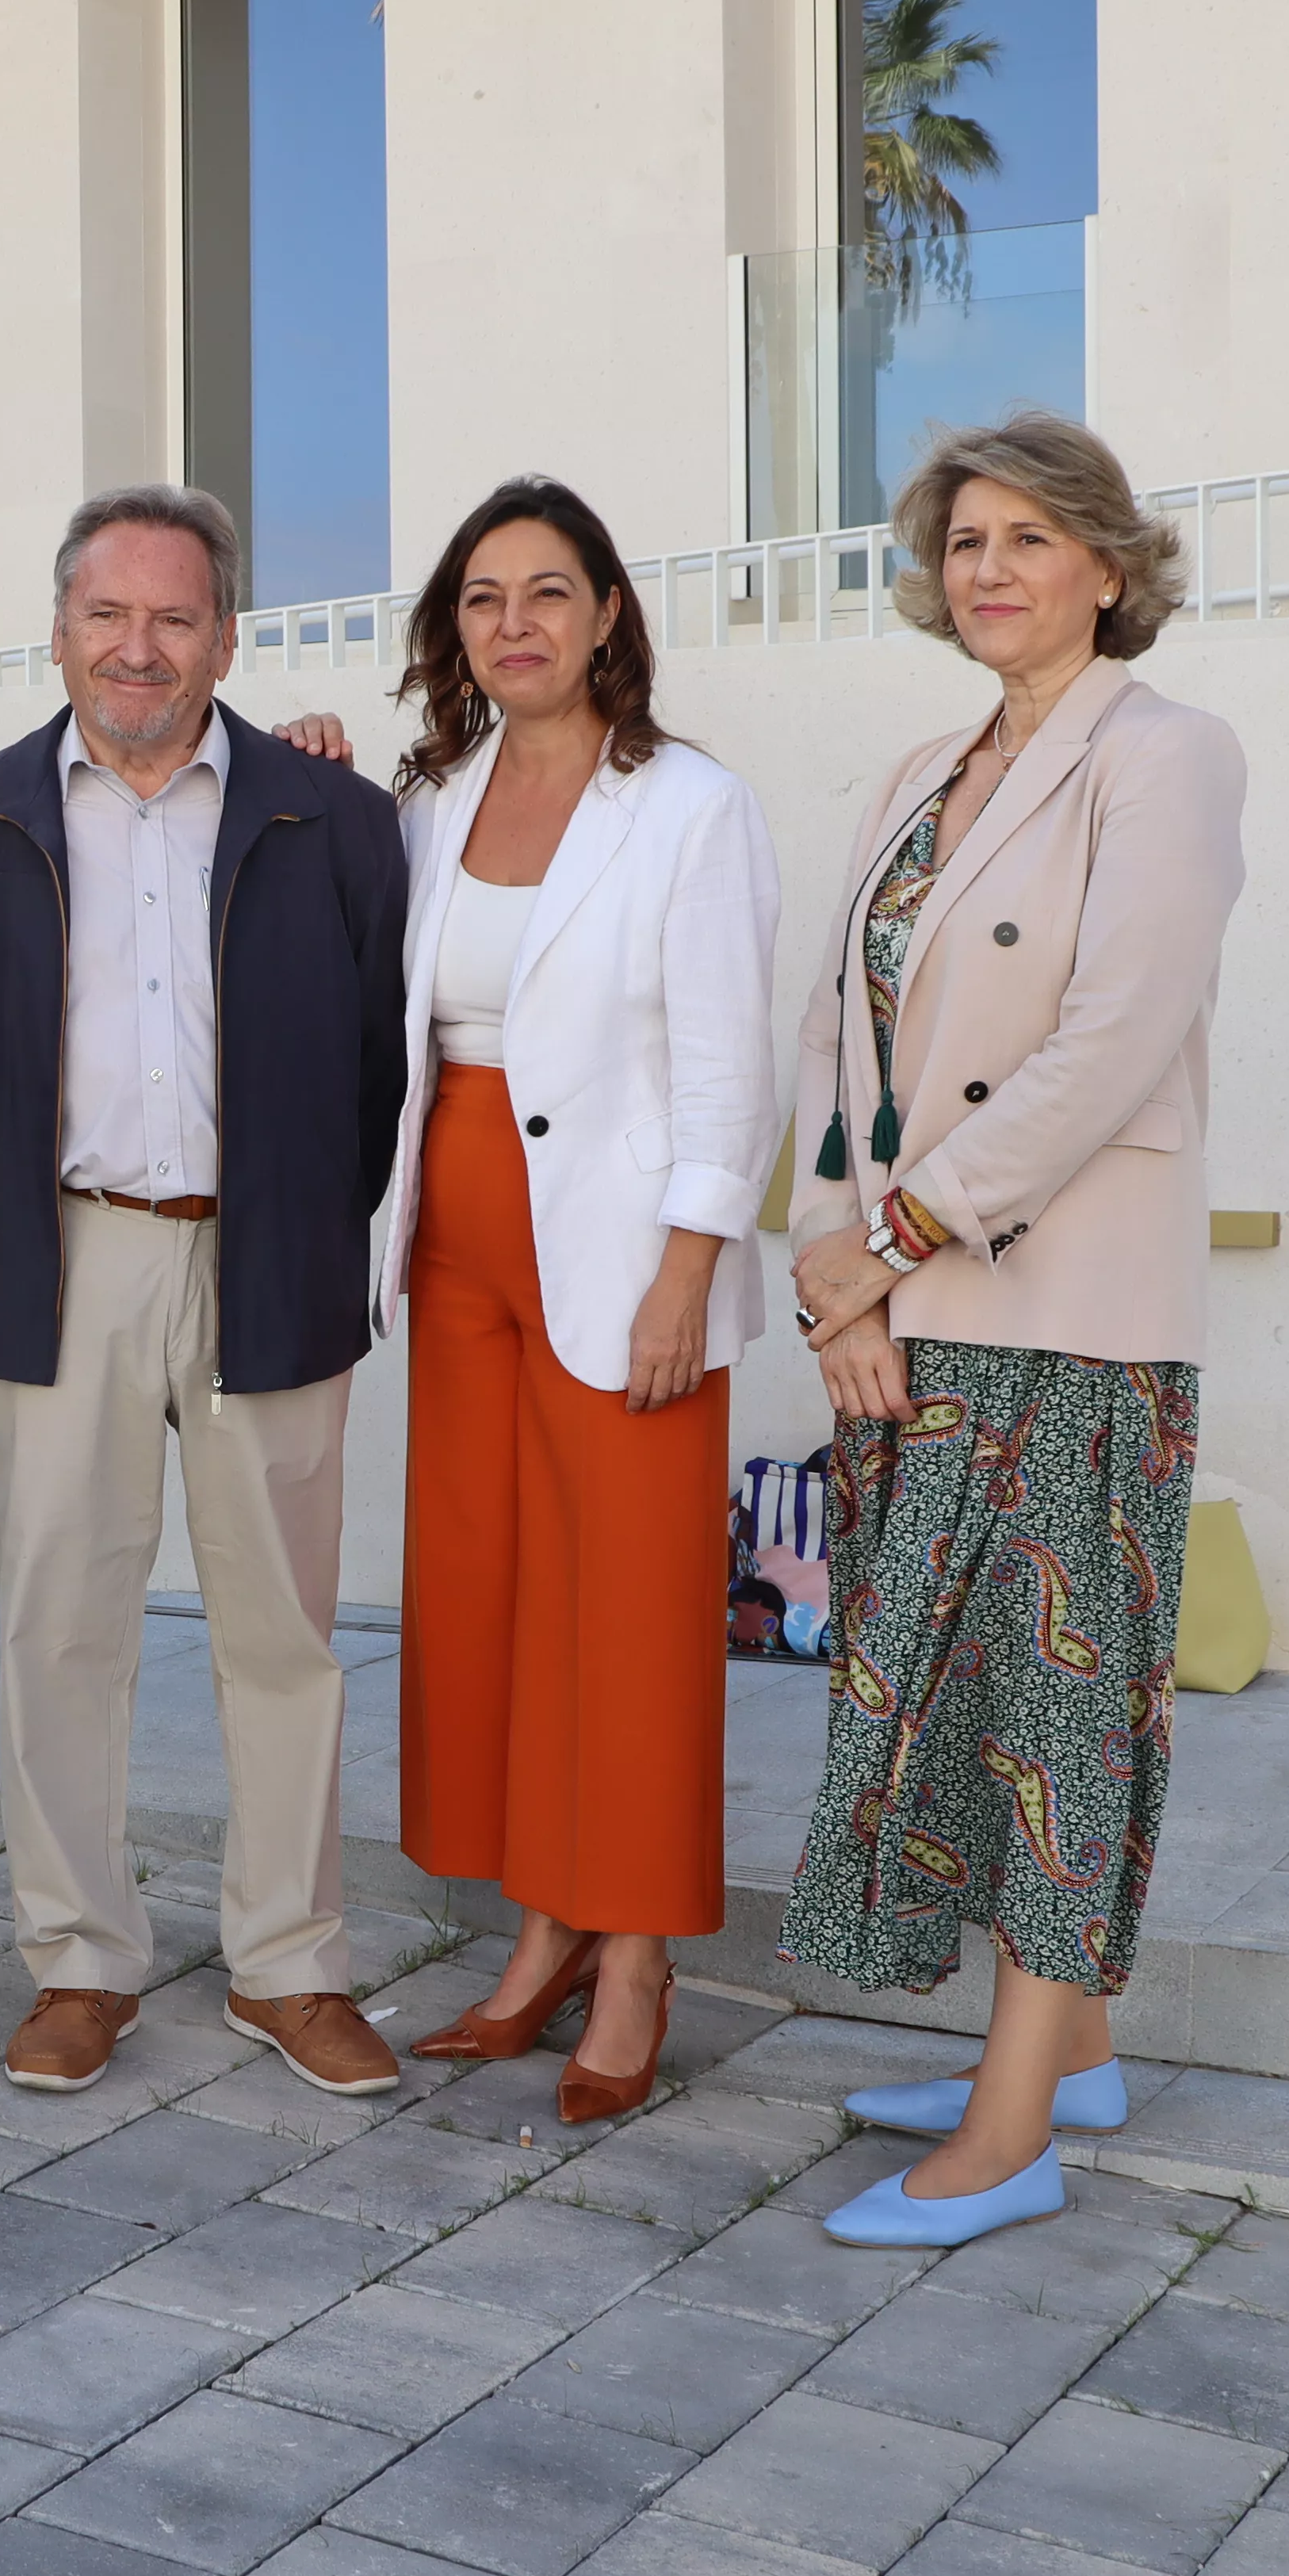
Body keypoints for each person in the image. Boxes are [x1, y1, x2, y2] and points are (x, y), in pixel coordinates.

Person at [779, 408, 1243, 2247]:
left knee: (1058, 1712)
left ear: (1108, 570)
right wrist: (840, 1267)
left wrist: (891, 1238)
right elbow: (838, 1040)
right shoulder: (921, 764)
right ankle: (1079, 2052)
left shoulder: (1169, 756)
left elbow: (1114, 1032)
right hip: (919, 1295)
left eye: (1028, 540)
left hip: (1070, 1307)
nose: (987, 569)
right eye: (964, 540)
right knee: (955, 1691)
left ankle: (1010, 2128)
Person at [0, 485, 411, 2102]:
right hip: (61, 1255)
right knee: (62, 1621)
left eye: (175, 616)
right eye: (107, 615)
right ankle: (80, 1956)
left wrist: (306, 1225)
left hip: (268, 1247)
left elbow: (375, 1064)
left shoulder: (329, 816)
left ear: (228, 638)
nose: (139, 645)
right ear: (59, 629)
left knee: (284, 1630)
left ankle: (290, 1959)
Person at [377, 480, 782, 2126]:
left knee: (623, 1615)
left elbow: (729, 1059)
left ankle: (636, 1962)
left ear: (610, 611)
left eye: (552, 589)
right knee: (490, 1594)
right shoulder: (431, 796)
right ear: (455, 628)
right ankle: (542, 1933)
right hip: (455, 1242)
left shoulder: (689, 805)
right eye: (485, 596)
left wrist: (694, 1259)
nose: (518, 621)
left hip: (623, 1261)